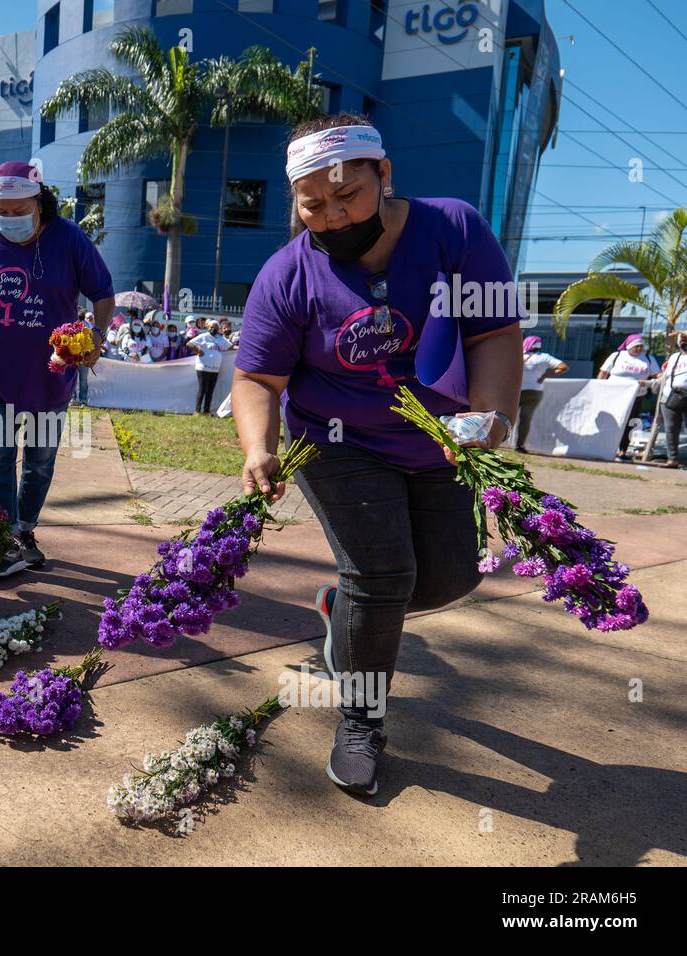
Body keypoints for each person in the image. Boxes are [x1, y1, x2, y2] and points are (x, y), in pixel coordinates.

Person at [232, 115, 523, 797]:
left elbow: (494, 331)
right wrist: (259, 448)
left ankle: (344, 609)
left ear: (383, 174)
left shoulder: (454, 229)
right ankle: (361, 720)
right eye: (312, 205)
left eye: (347, 196)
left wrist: (490, 417)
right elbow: (256, 379)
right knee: (383, 572)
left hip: (441, 440)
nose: (332, 217)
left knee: (452, 576)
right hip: (337, 443)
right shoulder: (286, 274)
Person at [0, 160, 114, 576]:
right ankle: (2, 534)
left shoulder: (70, 239)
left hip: (50, 377)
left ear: (40, 201)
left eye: (19, 209)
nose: (10, 218)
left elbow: (103, 292)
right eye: (1, 210)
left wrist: (96, 336)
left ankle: (24, 529)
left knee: (40, 461)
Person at [598, 334, 660, 461]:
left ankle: (622, 451)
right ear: (629, 346)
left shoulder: (648, 359)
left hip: (636, 397)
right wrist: (598, 387)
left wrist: (653, 382)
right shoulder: (617, 356)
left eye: (641, 346)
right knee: (612, 421)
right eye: (636, 346)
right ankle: (606, 448)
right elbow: (603, 373)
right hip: (614, 395)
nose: (639, 349)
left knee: (629, 424)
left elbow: (658, 375)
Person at [516, 335, 568, 451]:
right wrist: (545, 376)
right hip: (535, 391)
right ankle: (520, 445)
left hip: (515, 391)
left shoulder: (518, 356)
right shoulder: (544, 357)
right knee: (525, 419)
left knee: (508, 417)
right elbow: (563, 367)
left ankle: (496, 440)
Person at [655, 329, 687, 468]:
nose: (684, 343)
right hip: (671, 396)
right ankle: (672, 459)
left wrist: (680, 331)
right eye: (682, 341)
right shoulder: (674, 357)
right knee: (671, 429)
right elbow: (665, 376)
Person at [188, 319, 231, 413]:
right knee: (202, 389)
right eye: (211, 327)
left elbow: (230, 346)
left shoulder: (220, 338)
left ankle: (206, 411)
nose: (213, 329)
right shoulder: (203, 336)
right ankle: (197, 411)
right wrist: (198, 350)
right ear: (207, 328)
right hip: (203, 367)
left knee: (210, 391)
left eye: (215, 327)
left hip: (215, 369)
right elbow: (189, 343)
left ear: (218, 328)